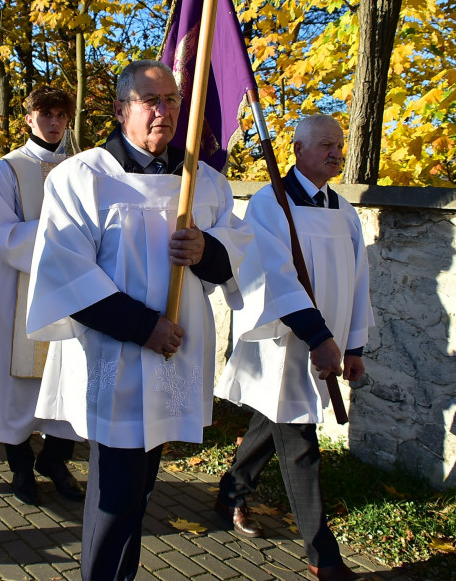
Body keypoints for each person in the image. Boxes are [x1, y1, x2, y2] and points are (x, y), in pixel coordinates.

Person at [26, 60, 252, 581]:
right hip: (117, 354)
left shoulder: (203, 182)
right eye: (151, 100)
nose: (164, 110)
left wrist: (207, 249)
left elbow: (238, 255)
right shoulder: (81, 178)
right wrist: (143, 326)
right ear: (120, 109)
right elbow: (66, 275)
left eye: (172, 100)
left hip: (175, 355)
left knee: (140, 487)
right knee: (116, 492)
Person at [213, 115, 374, 581]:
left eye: (339, 145)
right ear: (297, 149)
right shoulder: (270, 204)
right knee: (300, 440)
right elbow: (274, 277)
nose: (335, 152)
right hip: (286, 344)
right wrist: (316, 337)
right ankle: (324, 554)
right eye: (324, 144)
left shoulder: (344, 211)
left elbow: (359, 279)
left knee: (278, 417)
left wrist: (354, 344)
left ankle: (232, 491)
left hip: (329, 343)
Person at [0, 85, 84, 505]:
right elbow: (0, 233)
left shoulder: (82, 168)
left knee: (70, 379)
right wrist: (59, 236)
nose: (55, 122)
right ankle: (21, 467)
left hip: (72, 291)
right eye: (46, 114)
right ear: (29, 117)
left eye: (62, 115)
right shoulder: (8, 169)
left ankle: (56, 459)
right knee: (17, 386)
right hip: (20, 289)